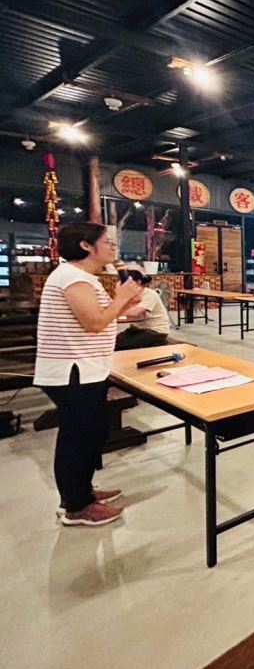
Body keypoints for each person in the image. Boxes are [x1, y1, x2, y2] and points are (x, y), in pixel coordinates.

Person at [34, 223, 142, 526]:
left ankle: (82, 491)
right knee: (78, 437)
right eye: (107, 242)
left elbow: (103, 316)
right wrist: (120, 298)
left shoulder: (81, 277)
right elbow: (94, 323)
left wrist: (125, 302)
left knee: (91, 432)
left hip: (85, 368)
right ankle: (76, 506)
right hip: (73, 370)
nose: (112, 247)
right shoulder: (72, 276)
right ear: (85, 245)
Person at [115, 270, 170, 350]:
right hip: (137, 328)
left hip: (155, 331)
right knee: (114, 341)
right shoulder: (130, 294)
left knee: (120, 344)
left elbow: (135, 313)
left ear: (138, 282)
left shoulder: (150, 295)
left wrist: (114, 313)